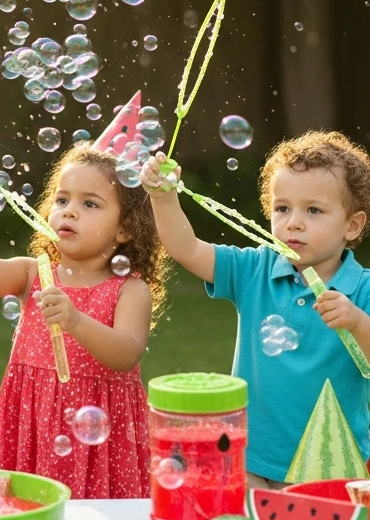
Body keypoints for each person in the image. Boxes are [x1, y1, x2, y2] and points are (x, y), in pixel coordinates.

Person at [141, 130, 370, 488]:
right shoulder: (255, 270)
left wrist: (357, 322)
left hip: (331, 467)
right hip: (250, 459)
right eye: (282, 208)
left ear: (352, 225)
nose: (293, 221)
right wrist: (163, 198)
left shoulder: (364, 289)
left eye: (313, 210)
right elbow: (186, 248)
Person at [0, 144, 168, 498]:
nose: (70, 211)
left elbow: (127, 353)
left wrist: (76, 320)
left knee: (97, 518)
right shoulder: (33, 273)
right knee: (28, 511)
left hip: (101, 429)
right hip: (33, 419)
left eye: (90, 204)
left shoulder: (130, 290)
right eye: (62, 200)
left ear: (126, 229)